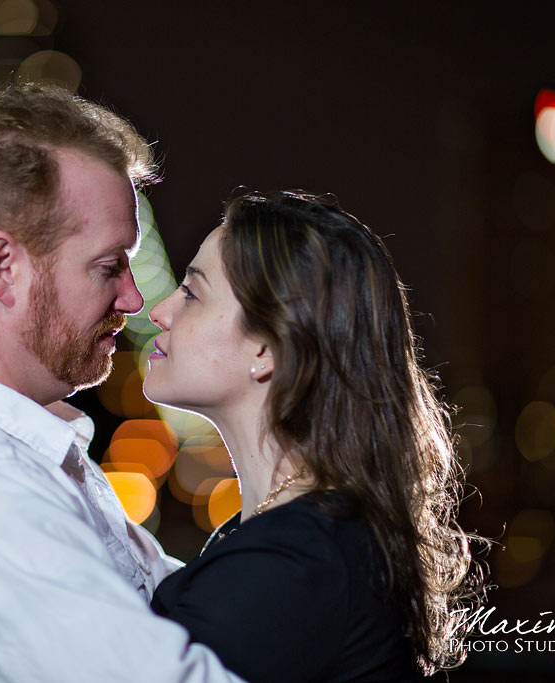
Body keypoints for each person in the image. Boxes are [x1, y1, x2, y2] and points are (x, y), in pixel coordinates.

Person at [0, 84, 243, 682]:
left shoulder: (12, 457)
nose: (135, 299)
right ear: (3, 270)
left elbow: (192, 611)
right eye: (109, 265)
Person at [144, 192, 484, 682]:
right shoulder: (301, 536)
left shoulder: (296, 564)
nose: (160, 311)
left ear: (267, 348)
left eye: (192, 293)